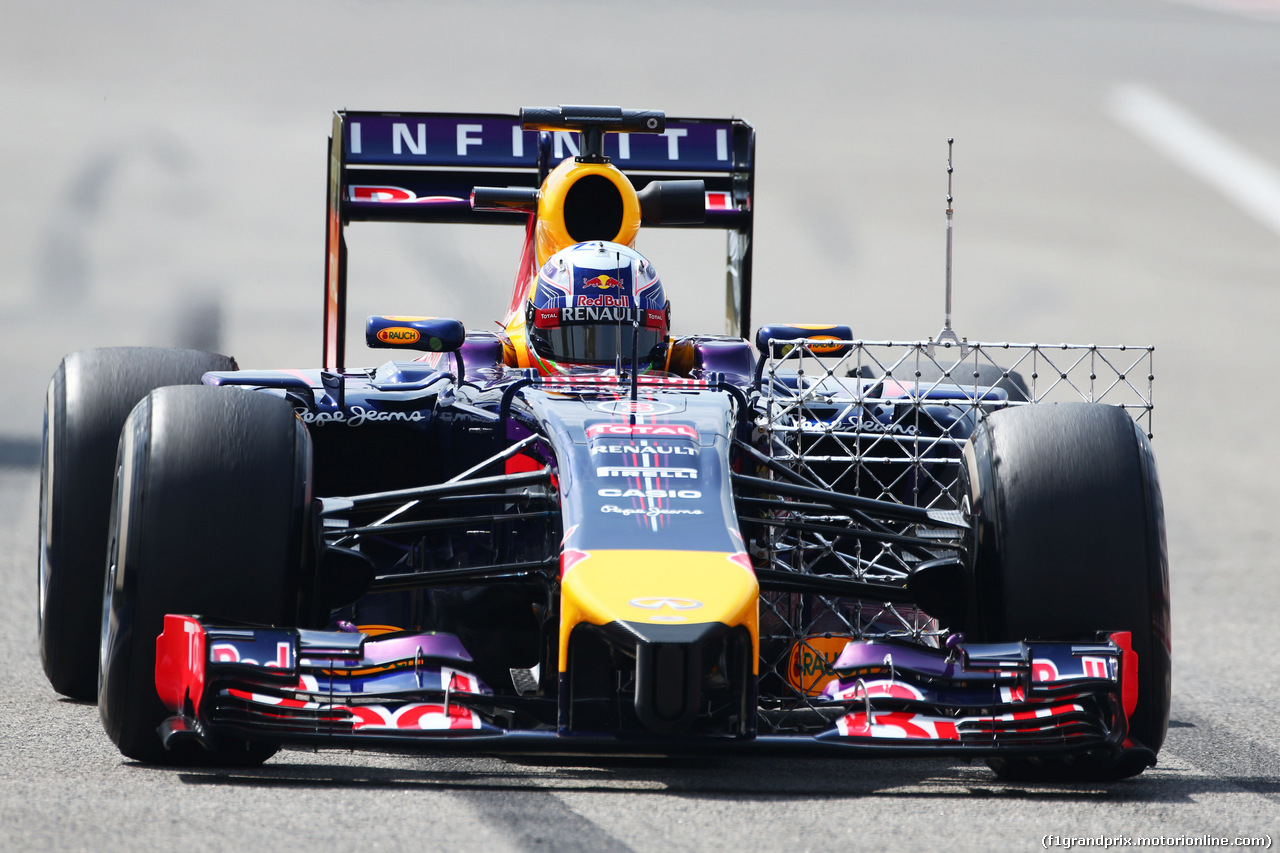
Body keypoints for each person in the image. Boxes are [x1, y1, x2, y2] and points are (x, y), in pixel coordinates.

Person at [517, 241, 670, 374]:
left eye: (629, 338)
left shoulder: (686, 355)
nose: (604, 373)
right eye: (578, 340)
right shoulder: (507, 355)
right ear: (531, 322)